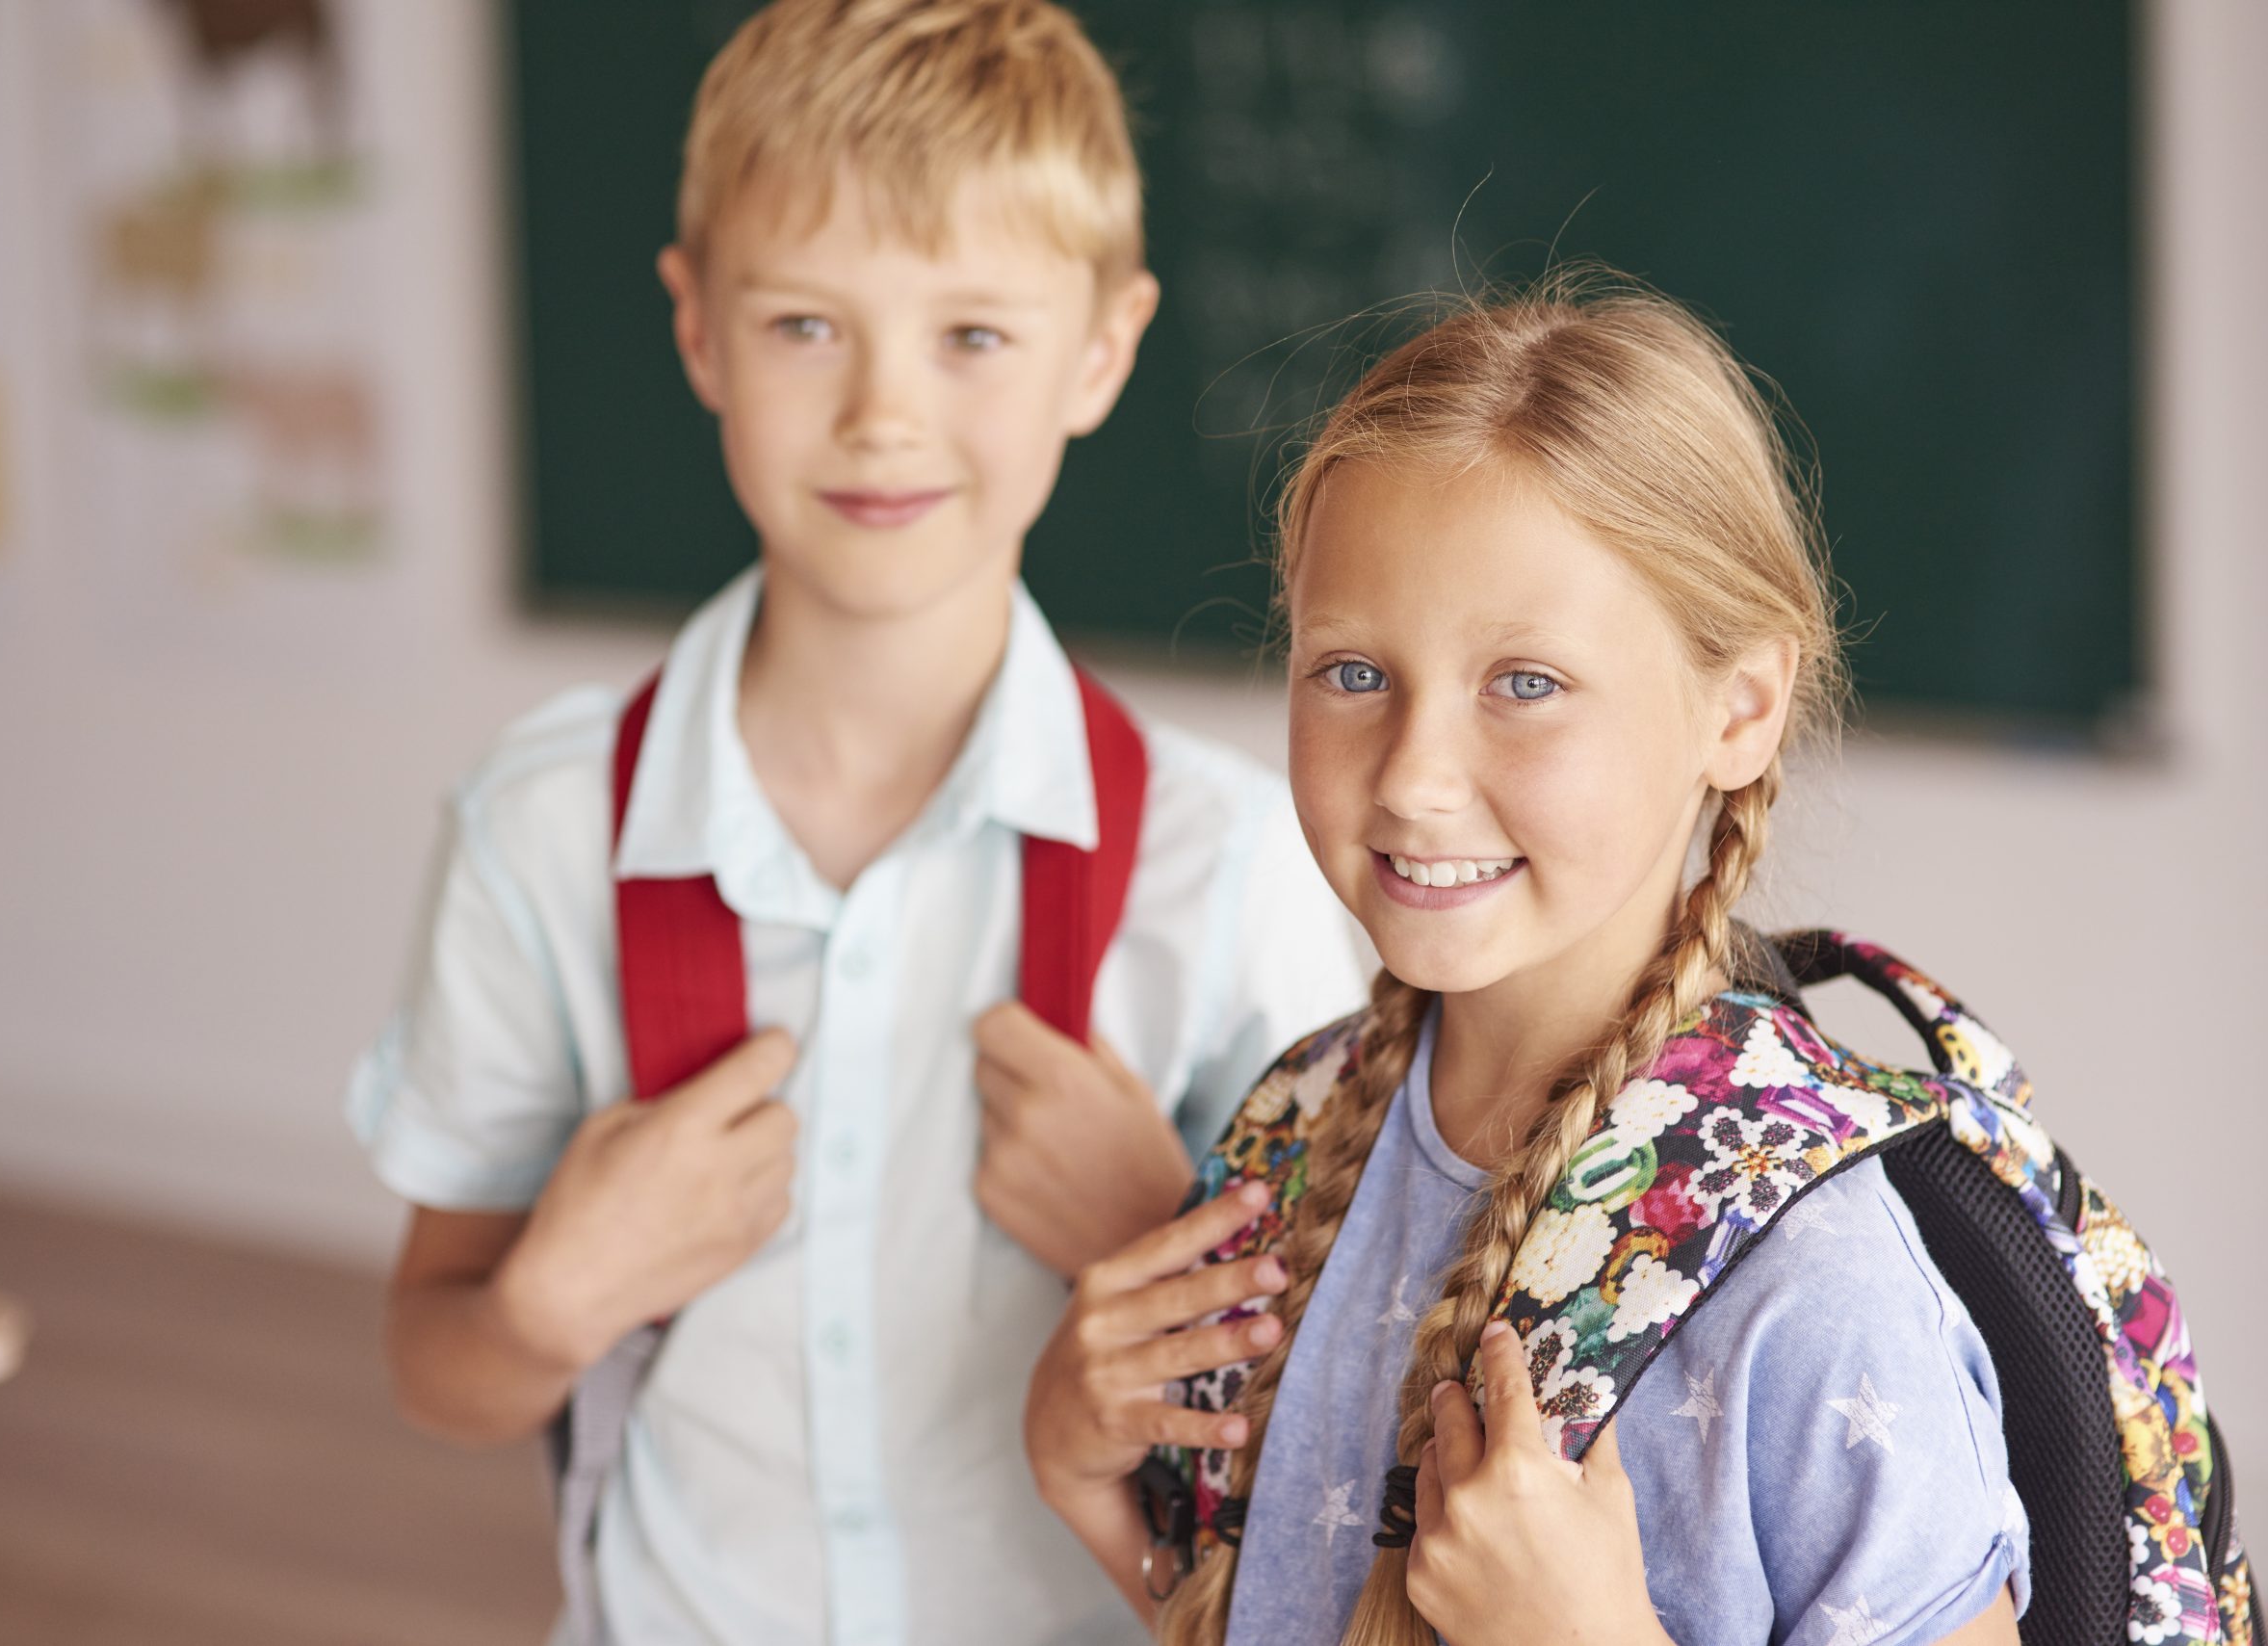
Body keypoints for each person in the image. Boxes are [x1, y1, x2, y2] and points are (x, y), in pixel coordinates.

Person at [342, 3, 1363, 1643]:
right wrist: (553, 1298)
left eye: (973, 335)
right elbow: (437, 1363)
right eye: (808, 324)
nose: (885, 413)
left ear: (1101, 349)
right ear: (698, 331)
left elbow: (1344, 1418)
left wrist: (1148, 1233)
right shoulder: (543, 835)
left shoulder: (1223, 863)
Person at [1023, 274, 2036, 1644]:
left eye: (1526, 683)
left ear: (1740, 707)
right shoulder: (1297, 1136)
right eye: (1353, 673)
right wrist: (1095, 1488)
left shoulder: (1814, 1279)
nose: (1418, 780)